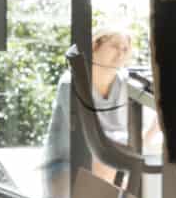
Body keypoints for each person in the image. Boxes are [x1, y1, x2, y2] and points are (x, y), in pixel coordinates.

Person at [43, 28, 145, 172]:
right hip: (66, 165)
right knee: (110, 162)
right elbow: (87, 140)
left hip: (112, 160)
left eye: (125, 49)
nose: (120, 53)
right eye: (115, 46)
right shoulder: (70, 83)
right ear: (95, 46)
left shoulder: (128, 83)